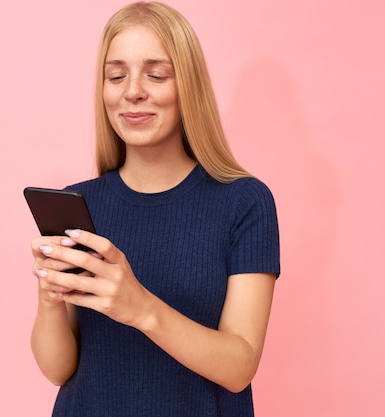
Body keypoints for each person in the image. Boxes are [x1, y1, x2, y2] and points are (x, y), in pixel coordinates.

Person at [29, 2, 280, 416]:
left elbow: (239, 367)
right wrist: (49, 298)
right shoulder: (80, 203)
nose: (132, 91)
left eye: (156, 74)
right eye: (116, 75)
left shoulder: (244, 202)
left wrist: (140, 307)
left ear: (189, 86)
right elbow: (59, 371)